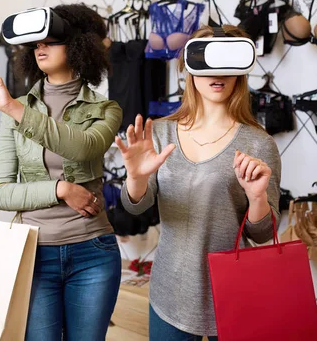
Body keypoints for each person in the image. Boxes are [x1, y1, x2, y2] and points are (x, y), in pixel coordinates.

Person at [0, 4, 123, 341]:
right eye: (37, 43)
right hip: (33, 256)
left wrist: (12, 107)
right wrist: (60, 189)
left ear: (80, 44)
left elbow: (83, 147)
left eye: (51, 40)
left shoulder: (106, 109)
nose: (41, 47)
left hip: (93, 253)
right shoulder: (16, 110)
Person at [116, 24, 282, 340]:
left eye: (226, 62)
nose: (217, 73)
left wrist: (257, 198)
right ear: (190, 69)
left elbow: (261, 234)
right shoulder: (161, 133)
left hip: (233, 293)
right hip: (170, 291)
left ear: (240, 71)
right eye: (207, 60)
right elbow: (135, 206)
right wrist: (136, 177)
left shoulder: (259, 144)